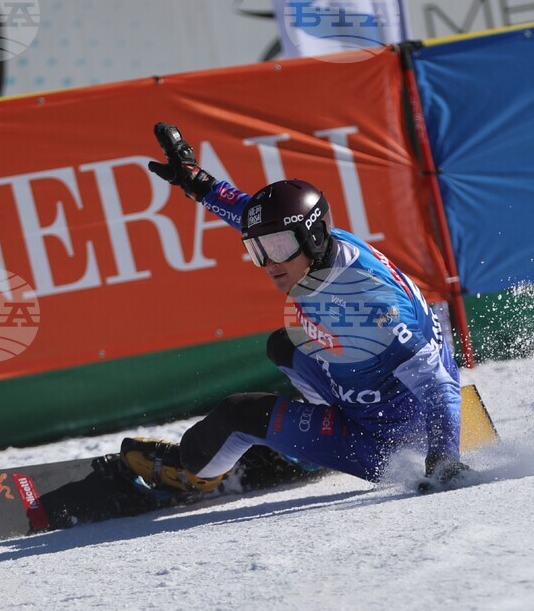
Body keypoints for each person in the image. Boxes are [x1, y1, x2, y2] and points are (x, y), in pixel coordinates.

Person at [119, 123, 466, 493]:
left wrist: (442, 461)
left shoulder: (370, 304)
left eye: (279, 249)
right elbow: (250, 215)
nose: (269, 263)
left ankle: (192, 475)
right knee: (284, 343)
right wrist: (197, 181)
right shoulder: (325, 249)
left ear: (312, 238)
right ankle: (314, 444)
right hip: (380, 399)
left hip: (385, 442)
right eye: (258, 250)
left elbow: (436, 384)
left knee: (238, 413)